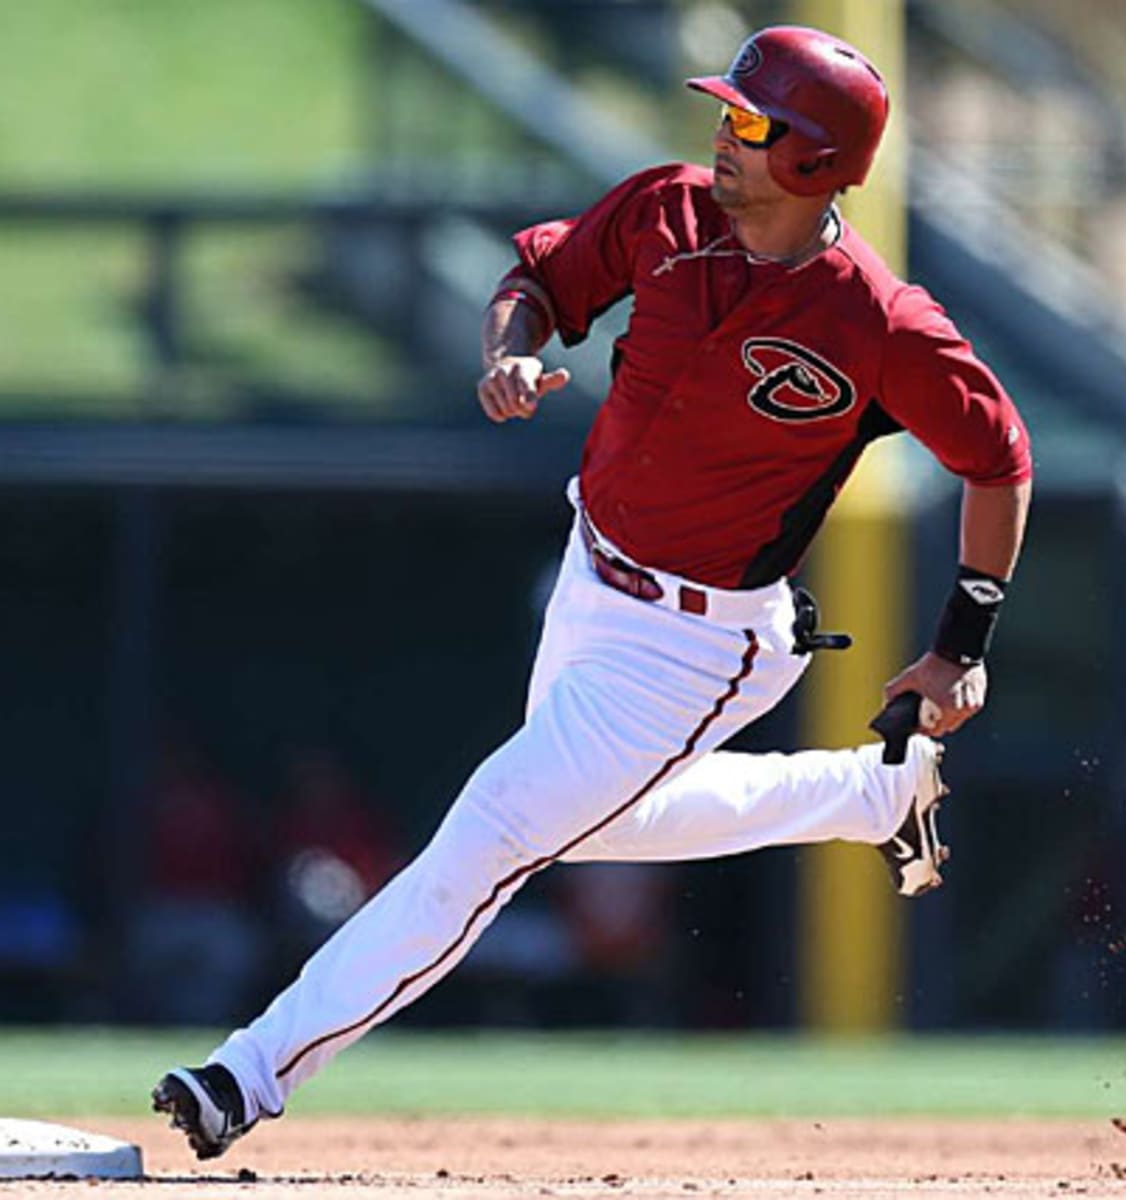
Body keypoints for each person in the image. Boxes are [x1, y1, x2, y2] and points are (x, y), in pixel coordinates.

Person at [152, 26, 1031, 1159]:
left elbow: (998, 459)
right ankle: (871, 796)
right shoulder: (665, 210)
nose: (724, 132)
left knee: (495, 833)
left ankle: (249, 1071)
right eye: (726, 111)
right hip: (589, 574)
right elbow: (536, 281)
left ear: (817, 163)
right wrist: (506, 351)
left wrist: (961, 645)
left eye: (754, 125)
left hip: (701, 646)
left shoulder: (879, 321)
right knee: (589, 830)